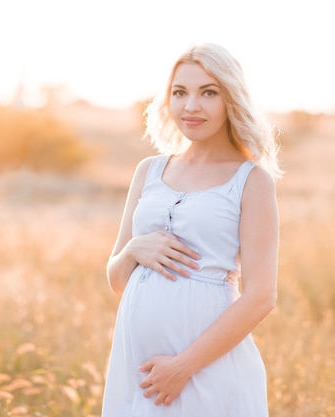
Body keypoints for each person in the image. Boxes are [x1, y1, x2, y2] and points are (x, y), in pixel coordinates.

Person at [101, 42, 282, 417]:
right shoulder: (148, 171)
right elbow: (117, 280)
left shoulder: (252, 181)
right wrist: (135, 248)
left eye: (208, 93)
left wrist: (183, 366)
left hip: (207, 371)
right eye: (180, 92)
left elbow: (261, 296)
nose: (191, 106)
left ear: (231, 98)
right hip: (138, 370)